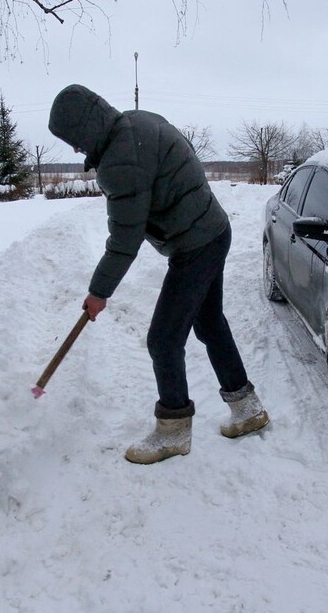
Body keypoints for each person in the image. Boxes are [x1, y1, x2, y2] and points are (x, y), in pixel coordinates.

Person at [47, 84, 269, 464]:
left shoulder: (120, 162)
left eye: (73, 140)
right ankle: (246, 409)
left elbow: (124, 239)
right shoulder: (136, 121)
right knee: (210, 323)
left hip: (195, 244)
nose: (75, 150)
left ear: (84, 130)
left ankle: (173, 430)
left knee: (163, 340)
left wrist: (99, 291)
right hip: (213, 229)